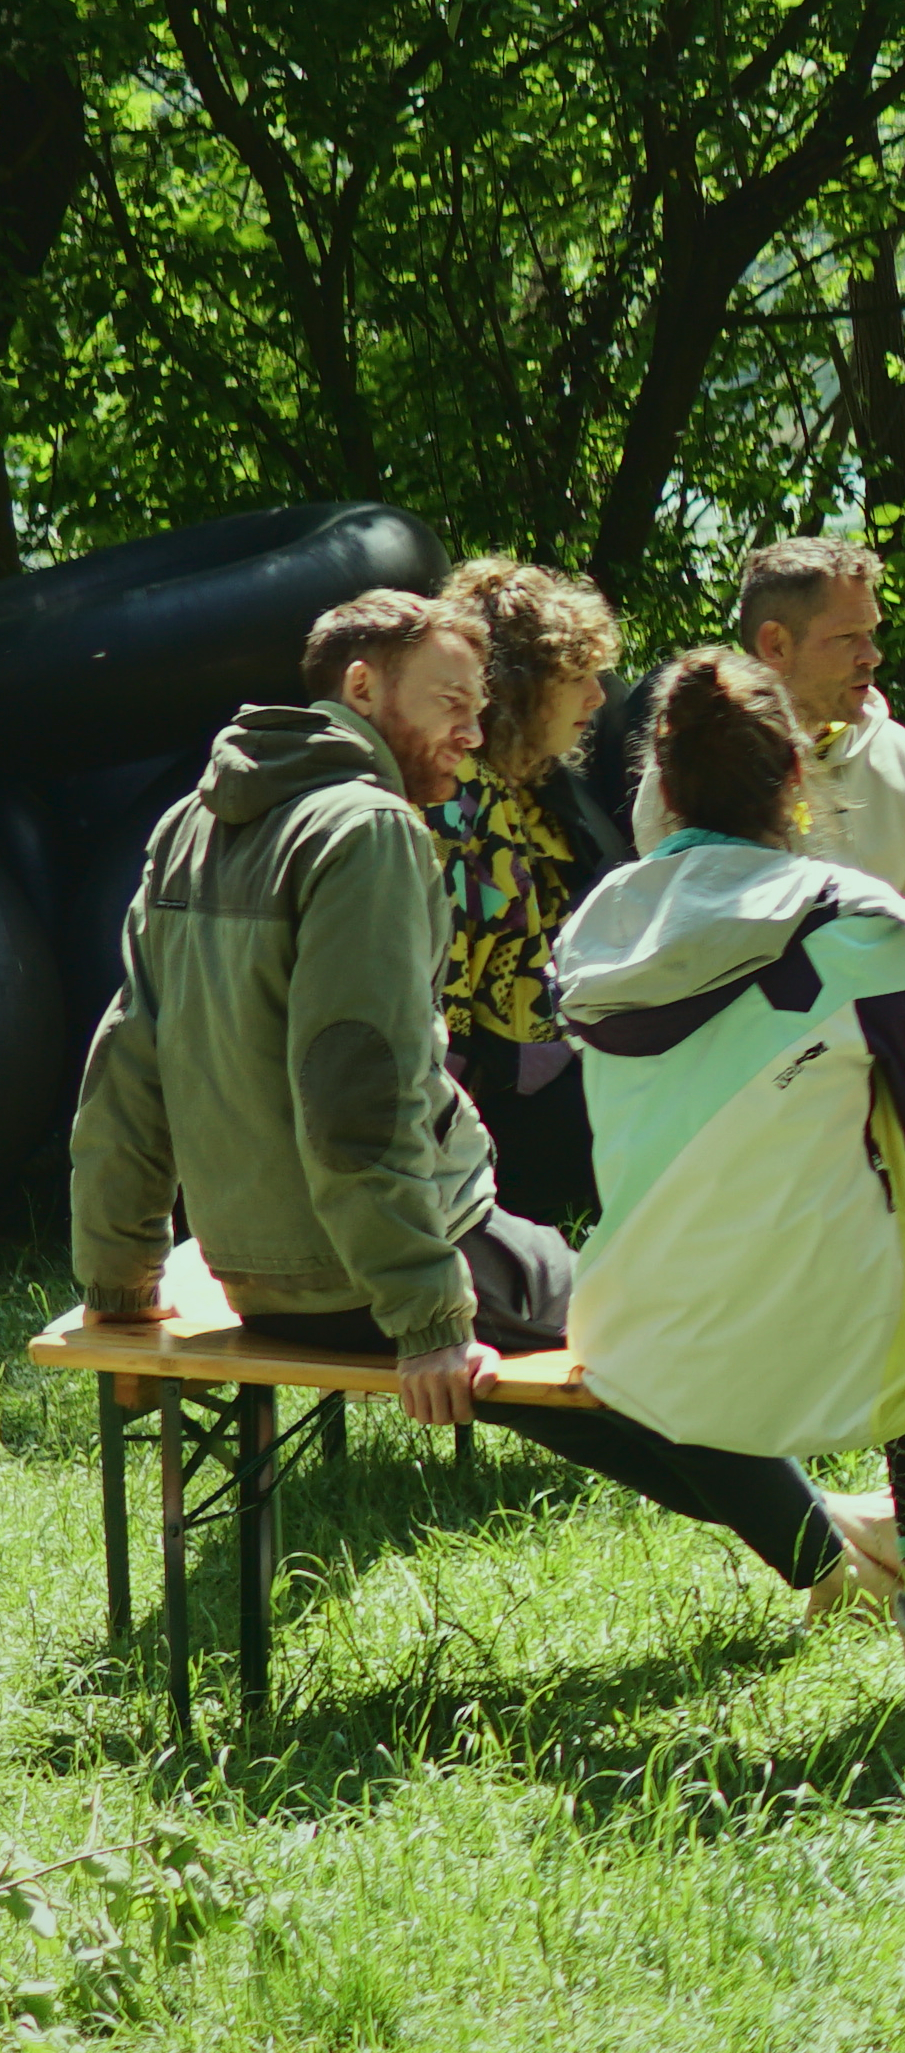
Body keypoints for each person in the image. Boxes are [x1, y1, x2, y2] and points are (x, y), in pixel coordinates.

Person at [69, 592, 863, 1597]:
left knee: (592, 1359)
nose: (473, 732)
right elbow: (359, 1095)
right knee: (655, 1324)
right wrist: (428, 1318)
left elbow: (125, 1065)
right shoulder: (368, 832)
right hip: (378, 1266)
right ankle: (835, 1567)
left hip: (254, 1268)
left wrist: (118, 1279)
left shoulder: (192, 821)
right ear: (362, 687)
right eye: (449, 701)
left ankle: (823, 1535)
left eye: (479, 708)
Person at [551, 650, 905, 1703]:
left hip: (641, 1350)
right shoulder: (861, 925)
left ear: (663, 791)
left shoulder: (596, 929)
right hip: (851, 1360)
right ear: (794, 786)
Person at [638, 538, 905, 1036]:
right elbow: (681, 961)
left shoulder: (896, 754)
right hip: (754, 1076)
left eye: (872, 633)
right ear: (776, 645)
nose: (873, 655)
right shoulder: (686, 774)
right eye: (848, 637)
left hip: (893, 1058)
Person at [429, 556, 632, 1229]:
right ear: (518, 692)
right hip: (478, 1123)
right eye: (576, 678)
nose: (598, 698)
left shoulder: (532, 786)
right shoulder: (460, 802)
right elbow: (446, 1015)